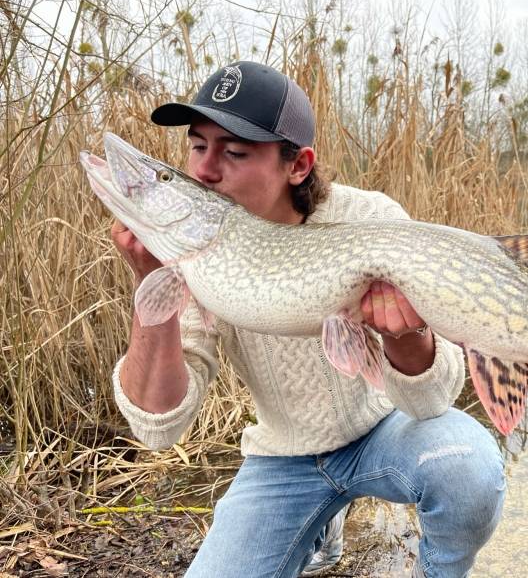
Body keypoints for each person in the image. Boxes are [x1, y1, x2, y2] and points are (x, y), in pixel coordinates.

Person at [110, 61, 505, 578]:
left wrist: (406, 335)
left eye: (234, 151)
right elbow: (159, 424)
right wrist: (149, 281)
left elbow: (430, 401)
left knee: (467, 466)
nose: (203, 171)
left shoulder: (369, 220)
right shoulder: (197, 253)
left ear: (298, 165)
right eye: (197, 145)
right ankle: (321, 527)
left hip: (385, 432)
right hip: (284, 459)